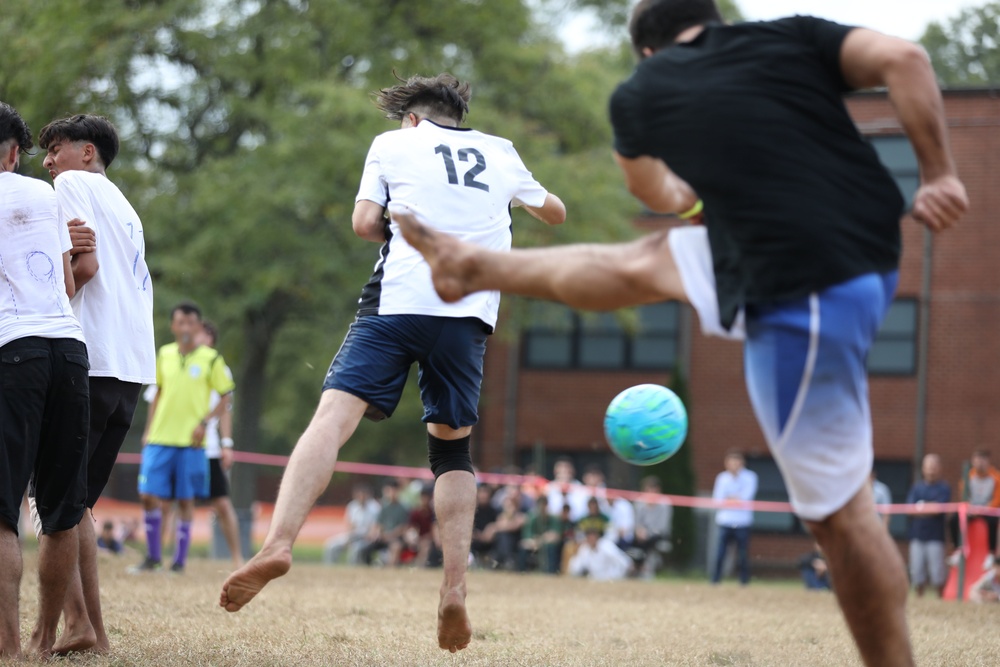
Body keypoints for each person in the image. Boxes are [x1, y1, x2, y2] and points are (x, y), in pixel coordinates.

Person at [392, 3, 967, 663]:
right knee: (649, 262)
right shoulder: (792, 34)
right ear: (713, 18)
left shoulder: (642, 94)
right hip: (867, 239)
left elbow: (659, 189)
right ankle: (477, 266)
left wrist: (699, 198)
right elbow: (907, 59)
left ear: (645, 50)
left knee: (840, 518)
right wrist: (940, 173)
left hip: (804, 286)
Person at [218, 72, 565, 654]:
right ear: (456, 117)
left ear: (411, 118)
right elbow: (554, 212)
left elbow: (361, 224)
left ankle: (278, 544)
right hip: (468, 315)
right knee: (453, 451)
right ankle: (454, 587)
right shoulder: (501, 152)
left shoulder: (393, 145)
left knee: (331, 419)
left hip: (398, 303)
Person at [31, 113, 155, 655]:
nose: (47, 160)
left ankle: (72, 628)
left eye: (55, 148)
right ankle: (92, 632)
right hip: (130, 368)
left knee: (55, 501)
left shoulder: (70, 185)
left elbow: (84, 267)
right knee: (76, 504)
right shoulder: (128, 209)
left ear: (87, 152)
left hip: (90, 356)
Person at [0, 102, 89, 659]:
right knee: (60, 512)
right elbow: (66, 284)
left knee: (2, 510)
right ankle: (40, 640)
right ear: (14, 152)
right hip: (69, 349)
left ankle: (6, 647)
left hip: (13, 352)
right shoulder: (45, 195)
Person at [134, 302, 235, 573]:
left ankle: (178, 561)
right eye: (181, 323)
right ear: (173, 326)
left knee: (186, 500)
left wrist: (205, 422)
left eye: (192, 323)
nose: (186, 328)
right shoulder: (164, 354)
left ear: (199, 326)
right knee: (147, 494)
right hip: (160, 439)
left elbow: (226, 396)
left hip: (192, 443)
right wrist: (147, 430)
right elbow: (157, 394)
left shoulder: (211, 359)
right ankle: (153, 556)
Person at [906, 454, 951, 598]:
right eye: (928, 465)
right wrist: (928, 508)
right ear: (923, 468)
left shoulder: (944, 488)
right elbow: (910, 509)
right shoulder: (916, 487)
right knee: (916, 570)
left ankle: (940, 597)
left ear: (939, 468)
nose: (931, 469)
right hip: (917, 535)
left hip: (936, 537)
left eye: (934, 465)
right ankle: (919, 597)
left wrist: (922, 507)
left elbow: (939, 509)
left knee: (937, 570)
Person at [710, 451, 758, 585]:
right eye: (731, 462)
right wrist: (734, 499)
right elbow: (717, 500)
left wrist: (728, 499)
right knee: (720, 553)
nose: (734, 465)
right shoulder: (722, 478)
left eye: (737, 462)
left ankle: (744, 581)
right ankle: (715, 580)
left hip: (743, 522)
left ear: (742, 463)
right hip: (725, 521)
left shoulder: (750, 477)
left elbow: (745, 498)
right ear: (726, 464)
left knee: (743, 554)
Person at [948, 449, 1000, 563]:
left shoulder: (996, 477)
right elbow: (964, 495)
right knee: (954, 520)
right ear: (973, 461)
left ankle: (991, 553)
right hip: (971, 509)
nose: (980, 463)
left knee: (993, 522)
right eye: (978, 459)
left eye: (983, 459)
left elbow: (997, 498)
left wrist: (985, 509)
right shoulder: (968, 477)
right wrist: (971, 508)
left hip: (988, 510)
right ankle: (958, 549)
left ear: (988, 461)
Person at [323, 483, 380, 565]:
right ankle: (330, 567)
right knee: (331, 545)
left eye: (363, 495)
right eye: (359, 495)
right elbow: (350, 525)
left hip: (366, 537)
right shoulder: (352, 506)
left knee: (355, 549)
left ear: (368, 495)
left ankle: (351, 571)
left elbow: (374, 527)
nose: (361, 497)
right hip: (353, 536)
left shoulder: (374, 507)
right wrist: (349, 538)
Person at [360, 481, 411, 566]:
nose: (391, 493)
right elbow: (378, 524)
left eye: (393, 491)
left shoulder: (403, 508)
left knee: (396, 546)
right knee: (365, 548)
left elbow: (403, 528)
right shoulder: (384, 507)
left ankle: (390, 568)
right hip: (383, 537)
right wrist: (376, 533)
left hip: (396, 538)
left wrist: (388, 535)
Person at [633, 476, 673, 578]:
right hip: (641, 535)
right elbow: (637, 523)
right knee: (633, 541)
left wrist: (648, 533)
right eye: (648, 490)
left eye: (653, 490)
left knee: (648, 541)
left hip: (657, 535)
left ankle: (640, 566)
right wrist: (639, 531)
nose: (650, 493)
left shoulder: (664, 504)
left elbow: (662, 527)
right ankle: (637, 566)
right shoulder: (639, 503)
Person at [567, 527, 633, 581]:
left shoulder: (606, 545)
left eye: (593, 536)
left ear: (597, 537)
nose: (591, 539)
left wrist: (627, 569)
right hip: (595, 580)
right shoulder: (585, 549)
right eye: (589, 537)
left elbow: (619, 558)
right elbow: (577, 566)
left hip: (612, 578)